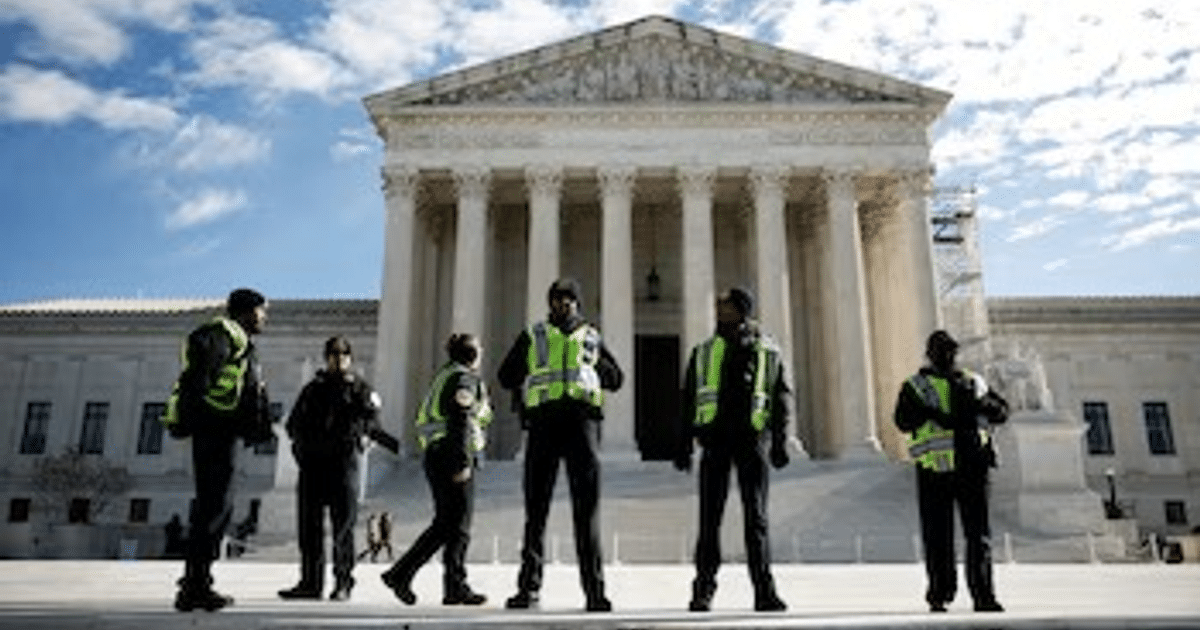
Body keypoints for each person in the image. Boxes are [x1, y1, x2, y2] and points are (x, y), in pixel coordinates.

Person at [498, 278, 623, 612]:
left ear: (578, 303)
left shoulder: (592, 338)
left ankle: (595, 592)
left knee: (587, 514)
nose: (563, 304)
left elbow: (616, 379)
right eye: (557, 299)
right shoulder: (534, 335)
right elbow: (506, 375)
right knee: (535, 514)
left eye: (569, 298)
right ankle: (528, 589)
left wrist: (595, 364)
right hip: (543, 427)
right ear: (549, 303)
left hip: (581, 428)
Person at [674, 287, 792, 612]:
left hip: (752, 443)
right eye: (719, 307)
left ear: (743, 311)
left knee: (757, 520)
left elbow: (780, 398)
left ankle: (764, 592)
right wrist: (683, 443)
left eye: (727, 307)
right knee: (709, 520)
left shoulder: (768, 352)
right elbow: (688, 399)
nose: (720, 312)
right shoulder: (704, 351)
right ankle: (702, 590)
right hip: (715, 443)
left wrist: (781, 441)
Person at [166, 287, 272, 612]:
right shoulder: (221, 336)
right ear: (246, 311)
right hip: (215, 431)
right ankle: (195, 586)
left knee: (216, 507)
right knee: (213, 507)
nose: (265, 317)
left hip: (223, 432)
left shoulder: (239, 342)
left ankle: (196, 582)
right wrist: (204, 421)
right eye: (262, 311)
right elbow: (198, 381)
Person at [894, 330, 1008, 613]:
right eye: (942, 351)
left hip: (973, 465)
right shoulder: (916, 386)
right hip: (936, 469)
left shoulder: (973, 382)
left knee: (978, 535)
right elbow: (902, 421)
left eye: (951, 351)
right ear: (930, 354)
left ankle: (983, 595)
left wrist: (981, 405)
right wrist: (930, 414)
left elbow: (1002, 411)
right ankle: (940, 593)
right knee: (938, 536)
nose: (947, 356)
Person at [278, 336, 400, 602]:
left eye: (344, 353)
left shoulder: (360, 389)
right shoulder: (312, 389)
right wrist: (301, 451)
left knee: (342, 530)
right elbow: (293, 425)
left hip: (343, 467)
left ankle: (343, 583)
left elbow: (373, 425)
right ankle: (310, 583)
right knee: (309, 529)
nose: (339, 358)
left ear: (350, 357)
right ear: (326, 357)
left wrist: (389, 445)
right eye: (333, 353)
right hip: (312, 467)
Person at [382, 333, 492, 606]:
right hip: (451, 455)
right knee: (458, 524)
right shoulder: (464, 379)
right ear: (472, 355)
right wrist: (462, 462)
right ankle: (419, 577)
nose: (483, 352)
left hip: (436, 453)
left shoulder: (445, 375)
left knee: (447, 524)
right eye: (480, 349)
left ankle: (426, 579)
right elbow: (460, 419)